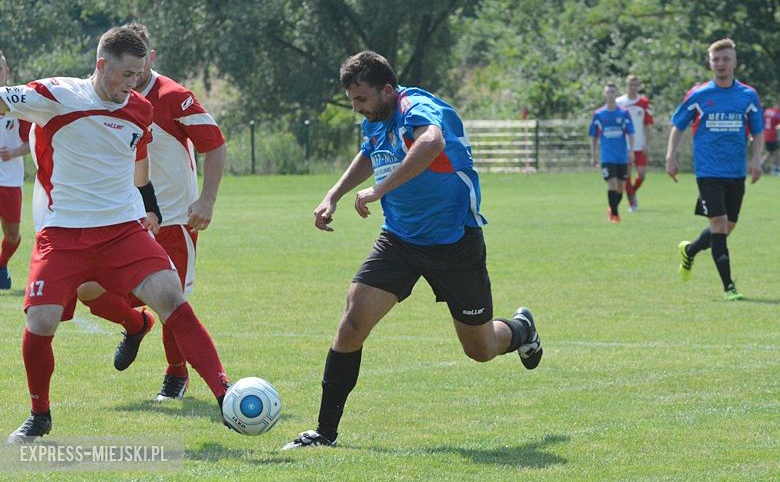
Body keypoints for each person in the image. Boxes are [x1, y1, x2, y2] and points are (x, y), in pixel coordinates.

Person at [282, 51, 543, 450]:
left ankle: (521, 329)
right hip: (400, 239)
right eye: (352, 101)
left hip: (454, 242)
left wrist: (379, 190)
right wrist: (334, 194)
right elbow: (370, 152)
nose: (357, 108)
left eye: (362, 99)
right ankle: (324, 432)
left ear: (388, 89)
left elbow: (432, 142)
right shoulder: (375, 118)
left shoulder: (415, 106)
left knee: (480, 349)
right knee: (352, 324)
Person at [2, 26, 230, 443]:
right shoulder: (57, 94)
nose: (134, 83)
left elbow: (140, 165)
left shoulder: (140, 109)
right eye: (126, 74)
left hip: (123, 230)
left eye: (139, 74)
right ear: (101, 64)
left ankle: (225, 395)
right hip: (63, 233)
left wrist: (151, 209)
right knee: (41, 321)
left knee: (172, 298)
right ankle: (39, 414)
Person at [75, 22, 227, 404]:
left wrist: (206, 201)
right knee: (87, 287)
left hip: (172, 220)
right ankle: (134, 323)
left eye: (139, 63)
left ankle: (176, 374)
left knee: (171, 303)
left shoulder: (173, 96)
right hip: (120, 218)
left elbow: (215, 144)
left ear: (150, 57)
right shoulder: (102, 95)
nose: (133, 72)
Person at [666, 38, 764, 301]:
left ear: (734, 62)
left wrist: (756, 161)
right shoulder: (699, 95)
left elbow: (757, 131)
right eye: (716, 60)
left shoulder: (747, 96)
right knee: (718, 224)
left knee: (726, 227)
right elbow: (678, 126)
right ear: (710, 64)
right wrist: (670, 157)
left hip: (736, 172)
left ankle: (690, 250)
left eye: (726, 59)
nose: (721, 64)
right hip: (708, 172)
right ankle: (729, 287)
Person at [0, 51, 31, 289]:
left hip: (10, 179)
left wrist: (14, 152)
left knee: (13, 235)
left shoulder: (18, 103)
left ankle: (1, 264)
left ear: (6, 72)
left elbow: (32, 142)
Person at [589, 83, 635, 223]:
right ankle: (615, 215)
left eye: (612, 92)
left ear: (616, 94)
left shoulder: (624, 113)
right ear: (604, 94)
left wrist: (631, 151)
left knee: (621, 188)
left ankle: (612, 208)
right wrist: (593, 155)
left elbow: (630, 132)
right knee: (612, 185)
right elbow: (594, 136)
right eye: (608, 92)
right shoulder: (599, 115)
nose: (610, 95)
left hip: (621, 156)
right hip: (607, 157)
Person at [616, 74, 654, 211]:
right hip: (625, 145)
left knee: (642, 174)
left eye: (635, 85)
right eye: (630, 85)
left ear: (638, 86)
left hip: (640, 144)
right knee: (626, 174)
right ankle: (632, 202)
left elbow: (648, 124)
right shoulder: (619, 102)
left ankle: (630, 192)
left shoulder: (644, 102)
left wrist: (646, 143)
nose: (633, 87)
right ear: (626, 85)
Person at [762, 99, 780, 175]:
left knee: (771, 151)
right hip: (772, 134)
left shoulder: (767, 111)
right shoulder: (777, 113)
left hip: (765, 133)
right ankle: (775, 169)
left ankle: (762, 164)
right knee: (774, 152)